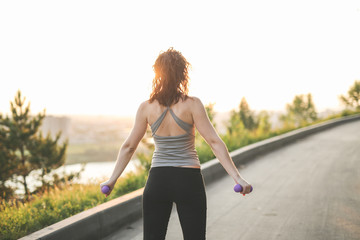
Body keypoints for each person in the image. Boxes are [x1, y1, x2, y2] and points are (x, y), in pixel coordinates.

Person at [100, 47, 252, 240]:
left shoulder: (146, 107)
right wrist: (238, 178)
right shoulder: (192, 104)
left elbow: (129, 146)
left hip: (158, 180)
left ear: (157, 74)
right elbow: (214, 142)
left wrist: (112, 180)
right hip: (188, 180)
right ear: (182, 74)